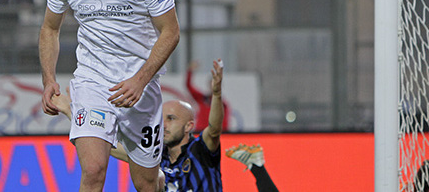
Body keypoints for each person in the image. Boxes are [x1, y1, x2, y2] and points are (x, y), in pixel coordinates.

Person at [40, 0, 180, 192]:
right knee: (93, 169)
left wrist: (140, 80)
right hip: (92, 82)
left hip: (139, 88)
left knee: (146, 182)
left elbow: (171, 31)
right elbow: (50, 28)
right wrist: (48, 78)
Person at [53, 60, 280, 192]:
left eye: (171, 119)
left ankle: (257, 167)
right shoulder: (152, 154)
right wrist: (68, 110)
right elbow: (102, 141)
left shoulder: (200, 151)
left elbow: (214, 129)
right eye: (161, 119)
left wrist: (217, 93)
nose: (164, 125)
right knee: (157, 180)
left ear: (190, 125)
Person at [185, 60, 230, 132]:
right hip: (201, 133)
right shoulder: (203, 98)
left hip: (214, 135)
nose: (213, 86)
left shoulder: (223, 104)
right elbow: (189, 86)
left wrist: (223, 134)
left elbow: (224, 124)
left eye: (215, 84)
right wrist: (190, 71)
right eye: (211, 84)